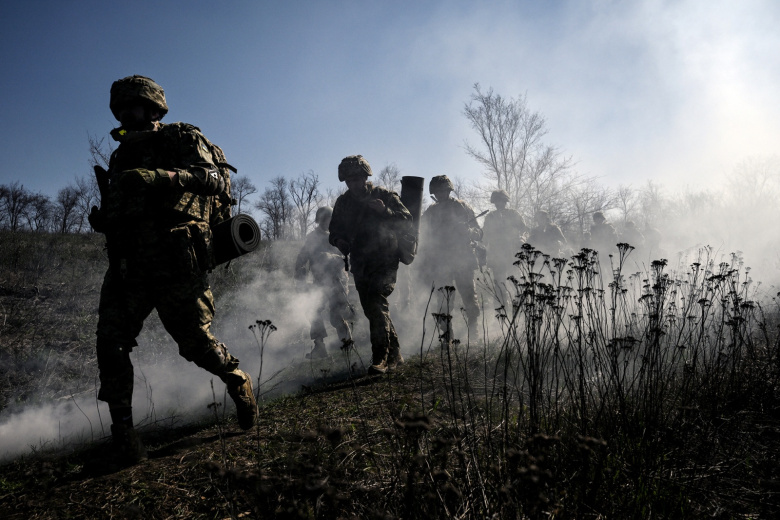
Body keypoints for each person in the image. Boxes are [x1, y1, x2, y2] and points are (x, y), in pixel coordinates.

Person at [89, 75, 257, 464]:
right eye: (119, 108)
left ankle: (237, 380)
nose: (123, 114)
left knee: (196, 344)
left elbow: (213, 180)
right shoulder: (121, 155)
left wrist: (159, 177)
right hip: (128, 265)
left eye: (131, 106)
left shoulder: (181, 137)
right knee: (110, 342)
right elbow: (127, 206)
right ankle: (125, 436)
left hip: (176, 261)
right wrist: (105, 220)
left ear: (152, 108)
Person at [328, 155, 413, 375]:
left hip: (385, 258)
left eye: (358, 178)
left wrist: (385, 211)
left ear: (366, 176)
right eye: (349, 180)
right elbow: (334, 231)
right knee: (373, 309)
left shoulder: (383, 196)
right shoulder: (343, 203)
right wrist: (339, 241)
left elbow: (407, 220)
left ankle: (380, 358)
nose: (354, 183)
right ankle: (395, 355)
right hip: (360, 262)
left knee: (376, 303)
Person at [417, 175, 483, 339]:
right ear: (434, 192)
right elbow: (421, 233)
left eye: (444, 190)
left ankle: (473, 331)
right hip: (440, 261)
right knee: (443, 300)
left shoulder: (462, 207)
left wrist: (468, 231)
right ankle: (447, 334)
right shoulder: (431, 211)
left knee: (469, 296)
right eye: (438, 191)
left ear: (449, 190)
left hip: (462, 259)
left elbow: (479, 233)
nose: (441, 194)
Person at [294, 206, 353, 360]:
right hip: (319, 282)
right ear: (318, 220)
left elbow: (348, 260)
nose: (326, 221)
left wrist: (330, 257)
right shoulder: (312, 237)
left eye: (328, 218)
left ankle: (347, 346)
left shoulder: (338, 237)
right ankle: (320, 347)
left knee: (336, 316)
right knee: (313, 311)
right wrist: (300, 276)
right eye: (323, 218)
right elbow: (302, 258)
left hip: (338, 281)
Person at [482, 189, 528, 287]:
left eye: (501, 201)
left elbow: (524, 229)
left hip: (513, 253)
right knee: (499, 284)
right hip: (497, 254)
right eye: (496, 201)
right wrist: (482, 248)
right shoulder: (490, 217)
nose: (499, 203)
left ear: (505, 201)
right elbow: (485, 235)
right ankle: (501, 302)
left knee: (516, 283)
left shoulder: (513, 214)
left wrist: (522, 238)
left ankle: (520, 301)